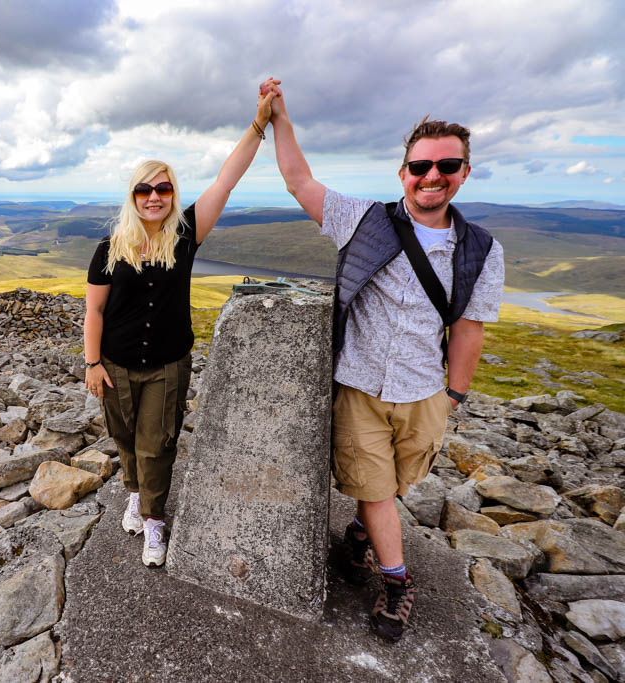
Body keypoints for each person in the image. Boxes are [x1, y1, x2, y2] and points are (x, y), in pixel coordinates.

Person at [260, 77, 504, 641]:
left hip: (424, 392)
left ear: (464, 172)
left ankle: (359, 537)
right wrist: (279, 119)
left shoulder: (481, 249)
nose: (432, 176)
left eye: (447, 165)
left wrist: (454, 397)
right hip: (361, 388)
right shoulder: (365, 219)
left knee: (392, 486)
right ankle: (396, 584)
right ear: (403, 174)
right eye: (420, 166)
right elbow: (300, 181)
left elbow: (468, 329)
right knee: (374, 489)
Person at [84, 89, 277, 568]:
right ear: (133, 196)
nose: (154, 197)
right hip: (115, 365)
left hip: (168, 365)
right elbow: (94, 313)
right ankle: (135, 494)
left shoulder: (186, 235)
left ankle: (154, 520)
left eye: (163, 189)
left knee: (158, 444)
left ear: (173, 195)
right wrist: (91, 363)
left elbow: (225, 181)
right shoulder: (110, 249)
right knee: (126, 441)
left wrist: (259, 124)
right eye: (145, 190)